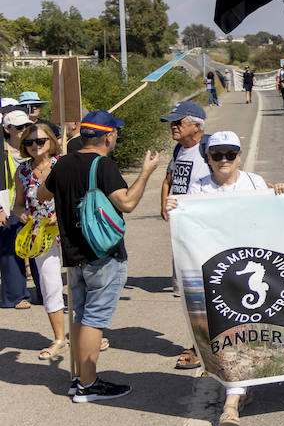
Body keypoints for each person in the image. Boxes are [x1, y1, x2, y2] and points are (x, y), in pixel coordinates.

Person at [167, 130, 284, 426]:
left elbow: (274, 214)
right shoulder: (197, 189)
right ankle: (237, 391)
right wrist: (174, 209)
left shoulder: (255, 183)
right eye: (216, 155)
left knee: (244, 331)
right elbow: (186, 224)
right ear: (207, 157)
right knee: (227, 334)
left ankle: (233, 399)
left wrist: (283, 195)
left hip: (249, 271)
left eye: (229, 155)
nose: (223, 160)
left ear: (239, 156)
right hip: (216, 274)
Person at [39, 110, 160, 402]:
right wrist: (146, 172)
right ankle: (88, 385)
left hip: (74, 252)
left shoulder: (64, 163)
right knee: (94, 319)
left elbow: (43, 194)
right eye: (115, 132)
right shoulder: (103, 165)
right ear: (108, 136)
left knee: (81, 314)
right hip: (103, 253)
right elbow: (127, 203)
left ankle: (81, 378)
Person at [158, 100, 212, 370]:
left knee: (202, 291)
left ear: (197, 126)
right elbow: (170, 178)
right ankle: (201, 344)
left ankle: (200, 348)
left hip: (204, 233)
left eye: (179, 122)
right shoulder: (180, 148)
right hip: (181, 232)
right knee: (189, 294)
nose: (173, 127)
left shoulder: (210, 149)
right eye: (172, 122)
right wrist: (164, 201)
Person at [14, 122, 69, 358]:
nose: (35, 146)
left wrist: (62, 212)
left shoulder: (63, 164)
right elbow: (18, 203)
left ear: (51, 142)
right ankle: (59, 338)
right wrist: (20, 213)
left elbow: (81, 195)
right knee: (50, 285)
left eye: (40, 141)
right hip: (40, 234)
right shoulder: (22, 171)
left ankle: (88, 333)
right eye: (29, 142)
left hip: (70, 230)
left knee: (81, 284)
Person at [1, 110, 35, 309]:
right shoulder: (2, 152)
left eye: (27, 126)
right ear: (7, 129)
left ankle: (44, 292)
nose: (25, 131)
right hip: (9, 207)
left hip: (34, 207)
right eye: (20, 127)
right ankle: (15, 296)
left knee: (39, 249)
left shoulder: (33, 148)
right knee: (11, 252)